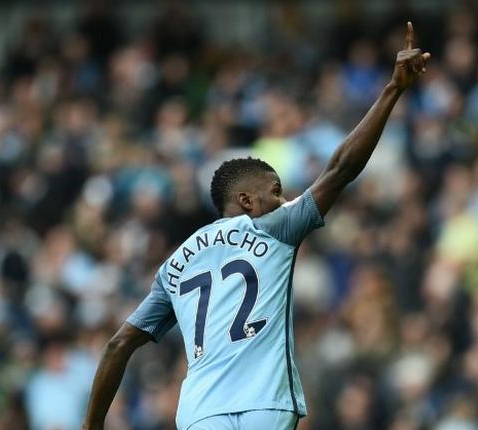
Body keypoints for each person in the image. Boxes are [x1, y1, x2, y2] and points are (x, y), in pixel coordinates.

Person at [82, 22, 430, 430]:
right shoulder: (274, 227)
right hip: (266, 400)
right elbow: (340, 169)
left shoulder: (174, 265)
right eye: (276, 191)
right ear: (246, 201)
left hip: (200, 413)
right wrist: (393, 90)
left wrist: (91, 426)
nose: (283, 200)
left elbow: (118, 345)